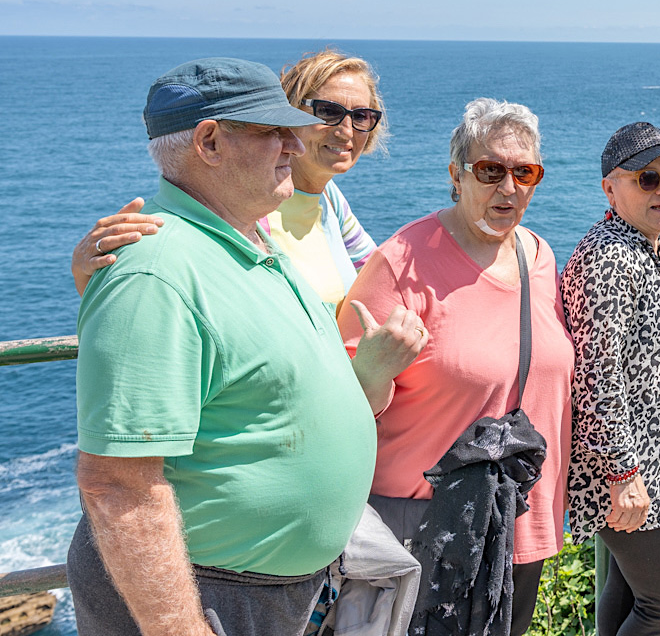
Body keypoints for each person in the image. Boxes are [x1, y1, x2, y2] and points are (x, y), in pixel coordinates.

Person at [67, 57, 393, 636]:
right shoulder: (156, 275)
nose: (296, 144)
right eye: (273, 131)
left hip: (266, 587)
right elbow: (118, 482)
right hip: (206, 592)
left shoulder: (250, 237)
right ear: (210, 142)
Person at [335, 98, 574, 636]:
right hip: (424, 527)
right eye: (489, 170)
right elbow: (339, 406)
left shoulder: (538, 256)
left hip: (518, 519)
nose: (507, 188)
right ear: (456, 175)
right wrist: (370, 372)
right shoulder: (403, 262)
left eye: (523, 172)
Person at [69, 48, 386, 312]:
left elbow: (379, 277)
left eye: (361, 116)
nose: (346, 130)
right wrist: (92, 274)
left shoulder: (329, 200)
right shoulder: (249, 208)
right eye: (328, 111)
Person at [561, 122, 660, 636]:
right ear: (610, 188)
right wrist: (623, 474)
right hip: (630, 467)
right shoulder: (608, 257)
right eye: (647, 179)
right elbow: (597, 377)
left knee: (628, 599)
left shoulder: (659, 248)